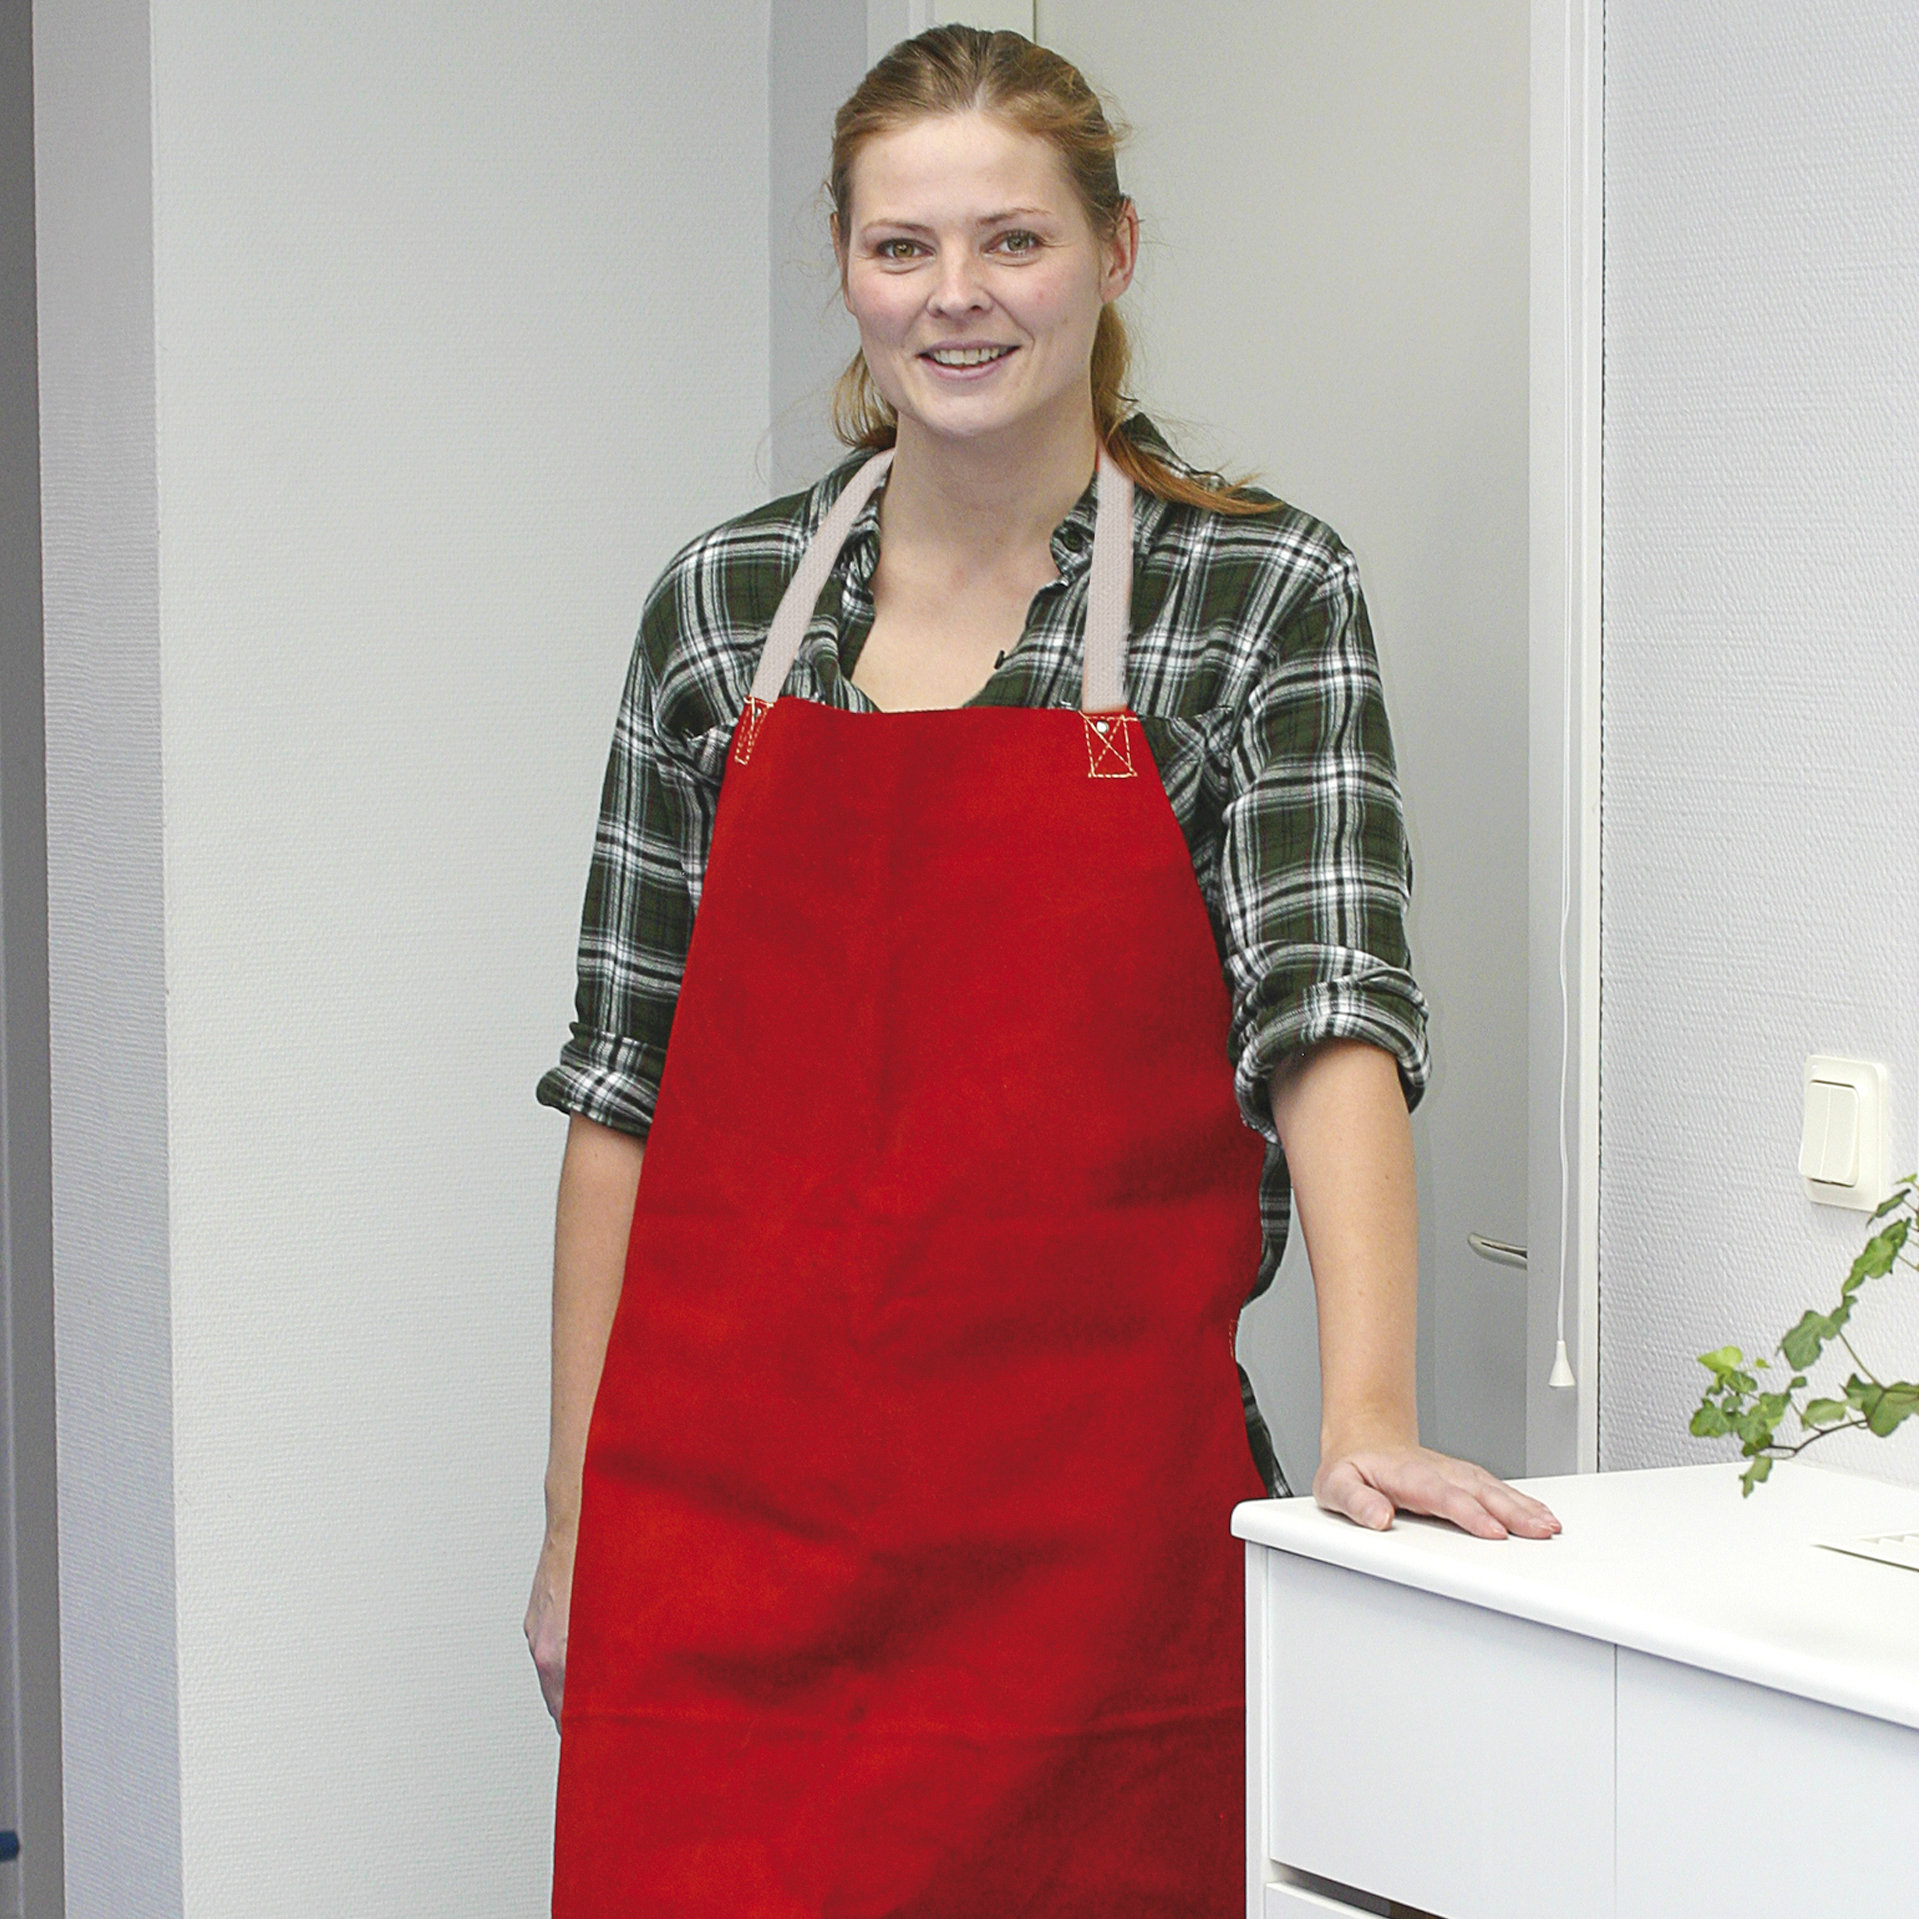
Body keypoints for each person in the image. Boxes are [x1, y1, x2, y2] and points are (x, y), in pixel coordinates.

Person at [526, 24, 1559, 1917]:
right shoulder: (723, 613)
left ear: (1114, 250)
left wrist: (1368, 1413)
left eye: (1013, 239)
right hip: (722, 1544)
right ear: (846, 268)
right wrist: (574, 1519)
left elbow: (1331, 1013)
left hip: (1090, 1565)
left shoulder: (1257, 596)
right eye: (902, 246)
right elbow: (620, 1088)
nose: (958, 295)